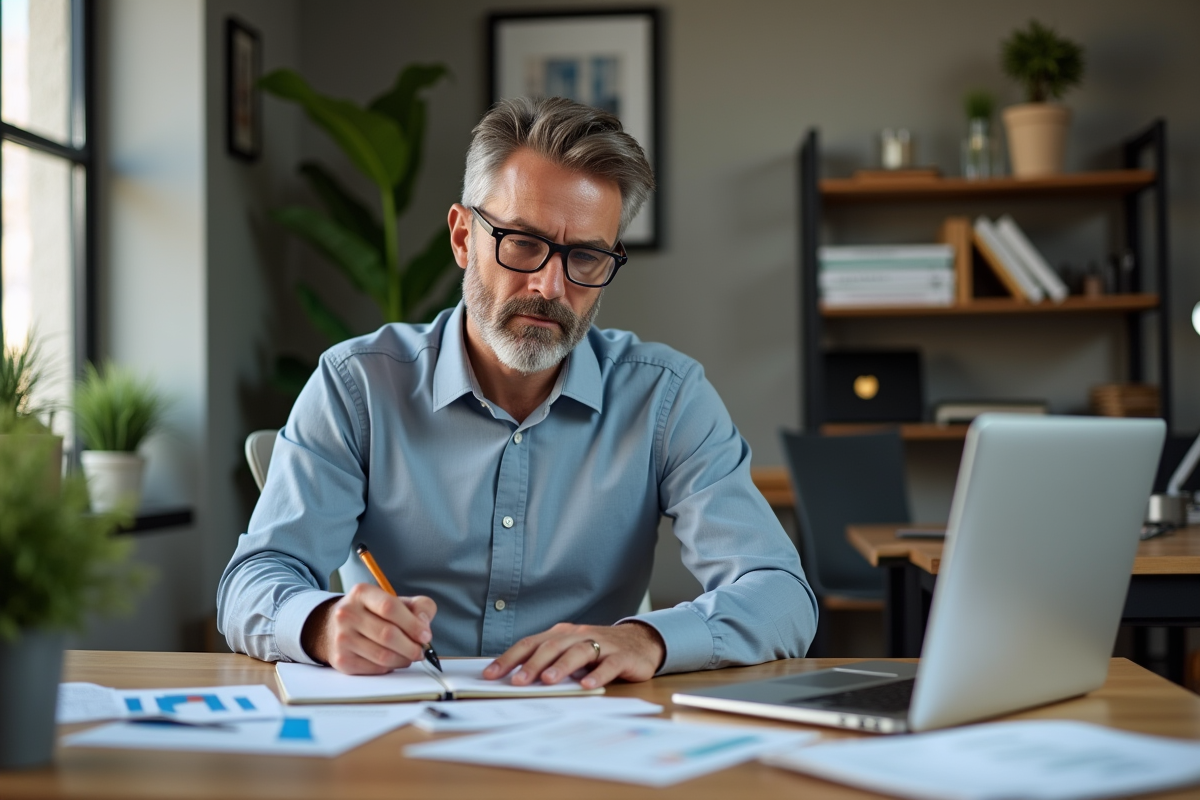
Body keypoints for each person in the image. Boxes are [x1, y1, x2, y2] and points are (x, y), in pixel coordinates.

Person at [218, 97, 817, 689]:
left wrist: (647, 639)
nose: (550, 286)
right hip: (401, 728)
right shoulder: (357, 385)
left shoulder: (667, 398)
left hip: (585, 729)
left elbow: (781, 593)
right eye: (522, 243)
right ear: (461, 238)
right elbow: (254, 580)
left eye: (585, 255)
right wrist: (322, 624)